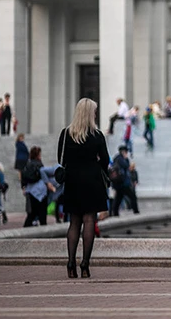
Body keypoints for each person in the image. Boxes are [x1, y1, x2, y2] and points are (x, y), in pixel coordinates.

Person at [58, 98, 111, 279]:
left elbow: (61, 159)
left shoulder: (66, 134)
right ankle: (85, 264)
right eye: (94, 112)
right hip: (92, 180)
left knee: (74, 222)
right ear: (90, 114)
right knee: (89, 221)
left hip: (73, 180)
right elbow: (105, 161)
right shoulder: (97, 136)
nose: (95, 114)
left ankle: (71, 262)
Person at [22, 146, 57, 227]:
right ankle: (43, 231)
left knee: (31, 214)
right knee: (42, 213)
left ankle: (25, 230)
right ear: (38, 155)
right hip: (40, 191)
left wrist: (23, 187)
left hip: (30, 190)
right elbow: (43, 174)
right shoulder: (39, 164)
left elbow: (24, 178)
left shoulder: (28, 164)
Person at [108, 146, 135, 217]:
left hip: (118, 183)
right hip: (123, 183)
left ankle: (115, 213)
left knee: (118, 198)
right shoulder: (121, 159)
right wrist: (126, 160)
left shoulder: (116, 158)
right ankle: (136, 211)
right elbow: (126, 166)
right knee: (132, 196)